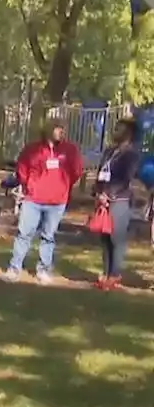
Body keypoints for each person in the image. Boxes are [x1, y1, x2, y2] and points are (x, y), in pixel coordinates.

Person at [0, 119, 83, 284]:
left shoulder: (70, 150)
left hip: (57, 201)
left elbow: (76, 171)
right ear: (48, 130)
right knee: (24, 234)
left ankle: (43, 269)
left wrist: (63, 187)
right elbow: (22, 169)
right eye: (58, 128)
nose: (61, 132)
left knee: (48, 236)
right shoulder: (32, 149)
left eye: (63, 129)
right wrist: (29, 186)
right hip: (34, 199)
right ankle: (14, 268)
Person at [93, 118, 142, 290]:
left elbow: (126, 178)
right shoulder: (109, 152)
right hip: (103, 200)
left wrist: (109, 194)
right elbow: (101, 172)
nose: (114, 131)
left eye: (118, 128)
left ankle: (114, 274)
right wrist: (98, 192)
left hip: (119, 201)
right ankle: (105, 273)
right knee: (105, 238)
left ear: (128, 133)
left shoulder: (131, 155)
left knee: (116, 238)